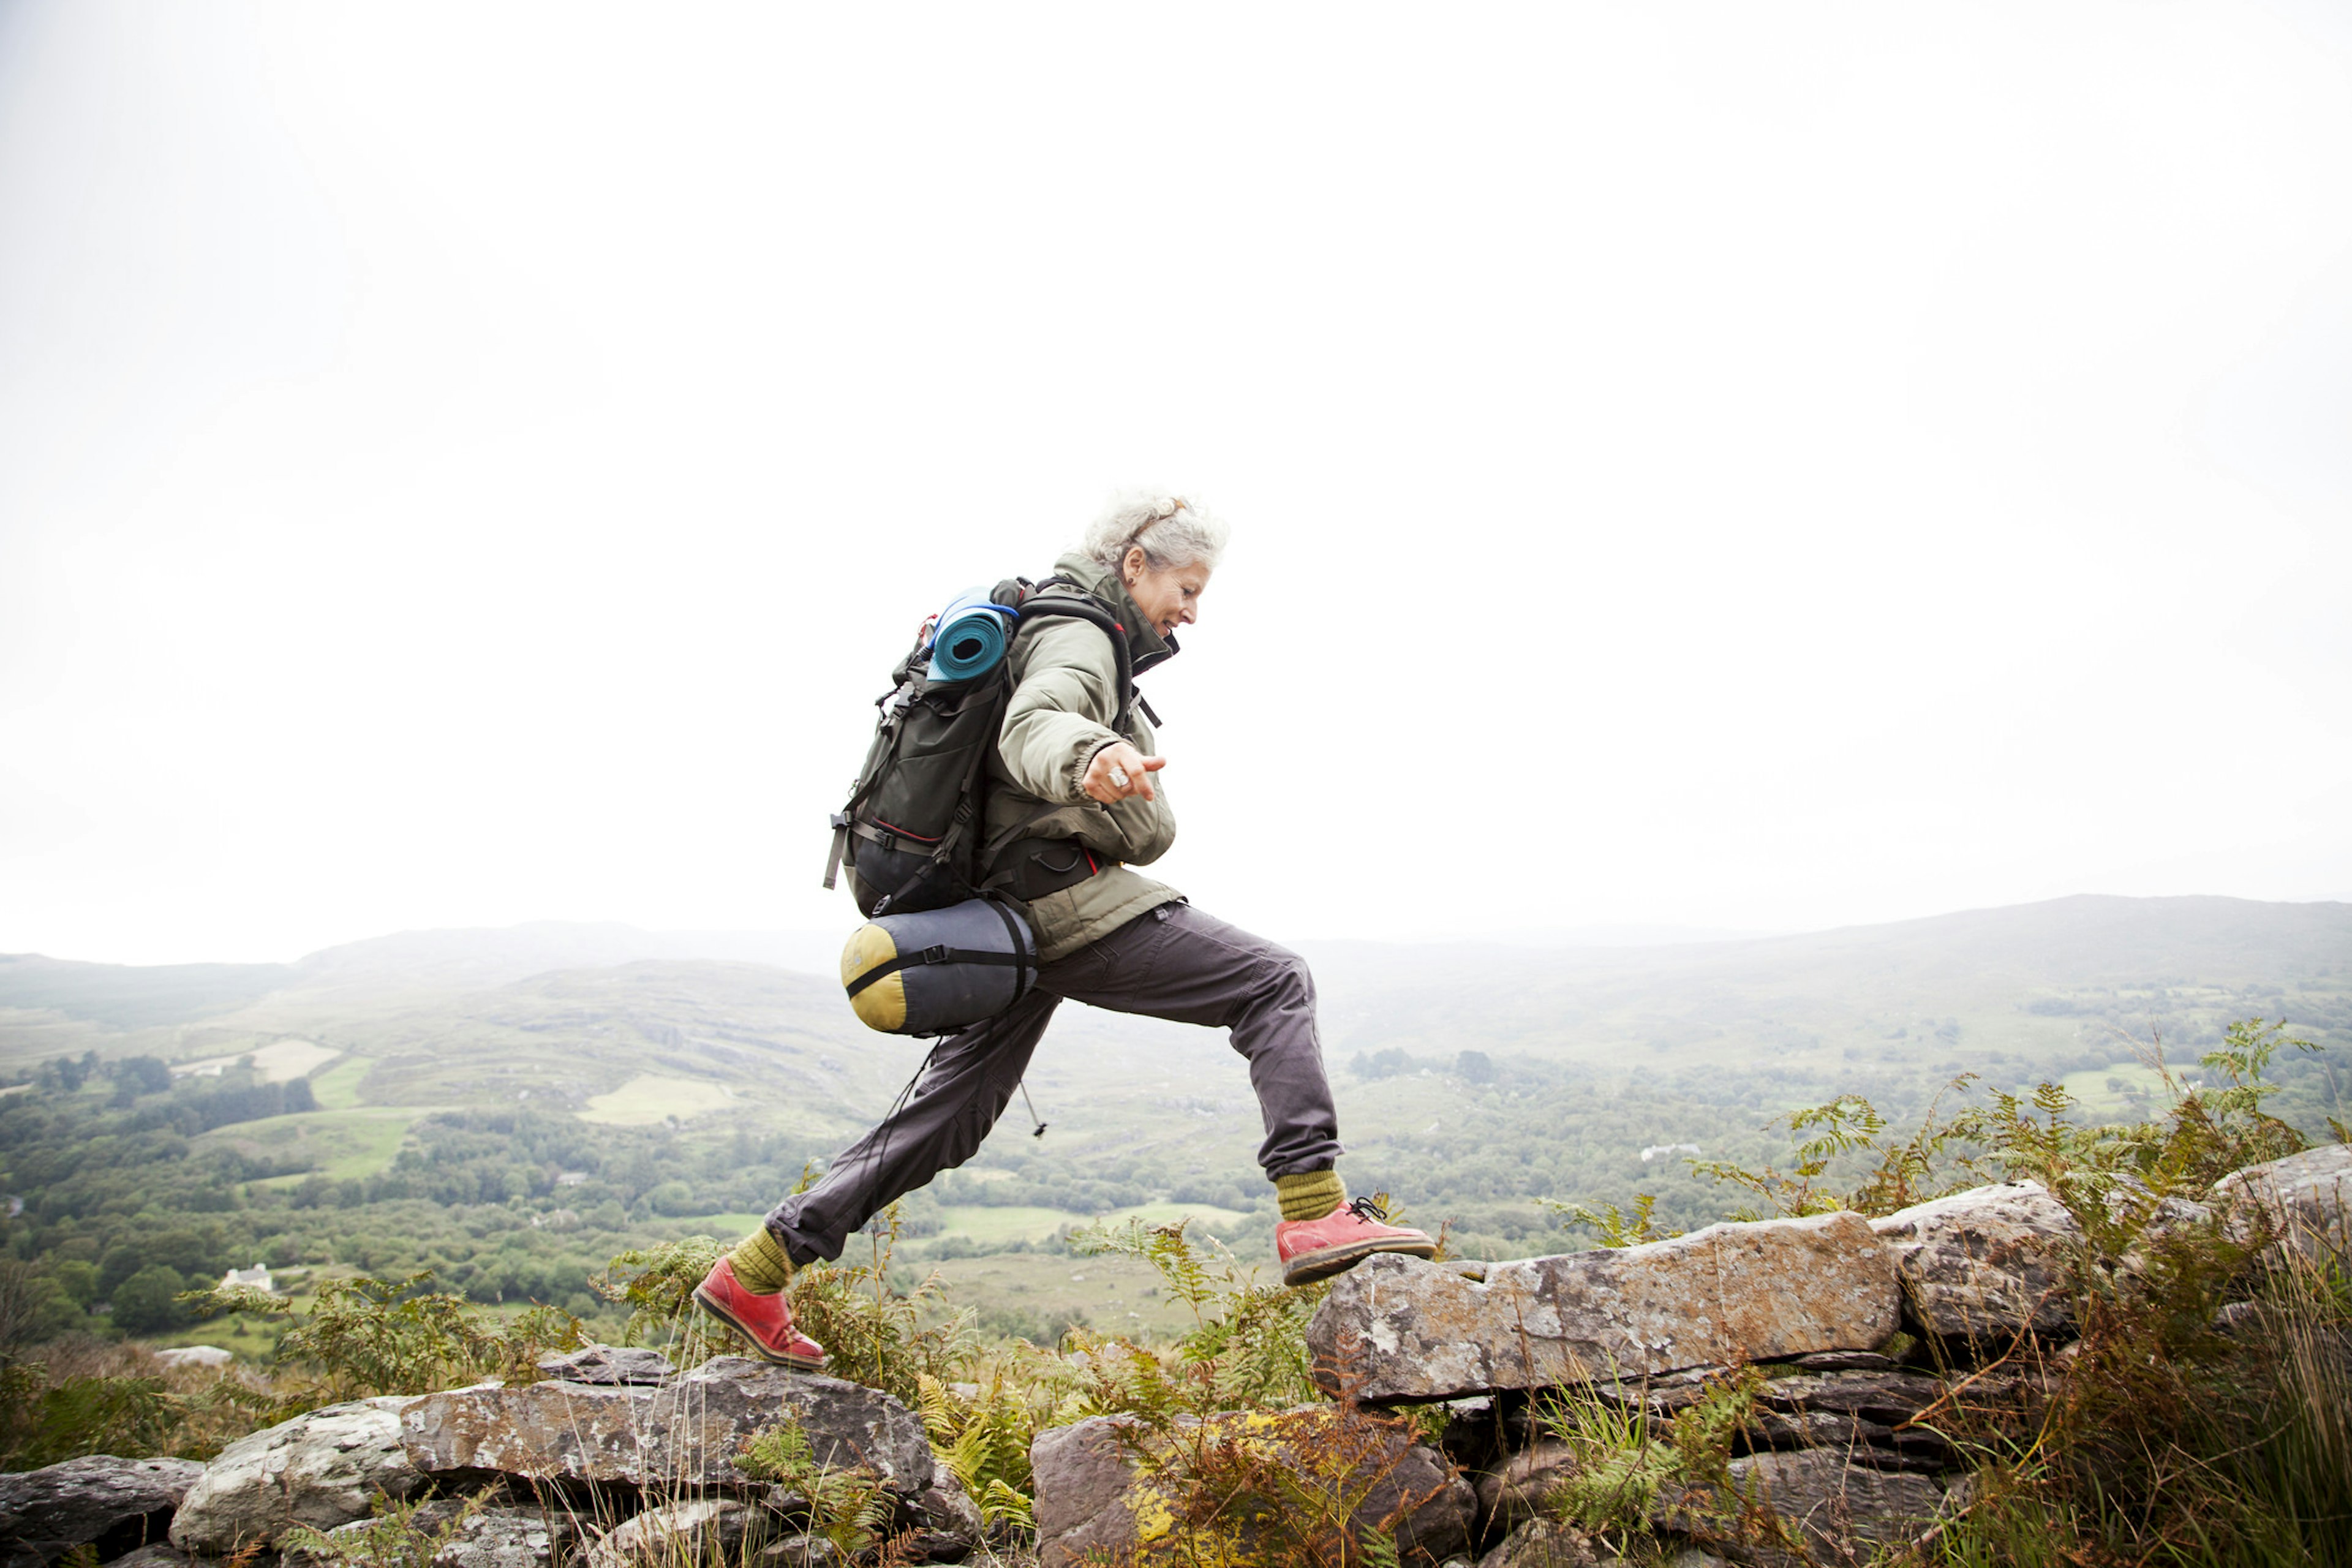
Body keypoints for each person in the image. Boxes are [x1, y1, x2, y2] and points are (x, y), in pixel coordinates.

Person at [694, 493, 1432, 1368]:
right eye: (1186, 587)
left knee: (951, 1118)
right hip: (1059, 910)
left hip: (1003, 924)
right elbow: (1037, 722)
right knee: (1272, 982)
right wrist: (1089, 756)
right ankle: (1314, 1212)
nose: (1193, 609)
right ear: (1134, 564)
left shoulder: (1063, 622)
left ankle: (759, 1267)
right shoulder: (1081, 635)